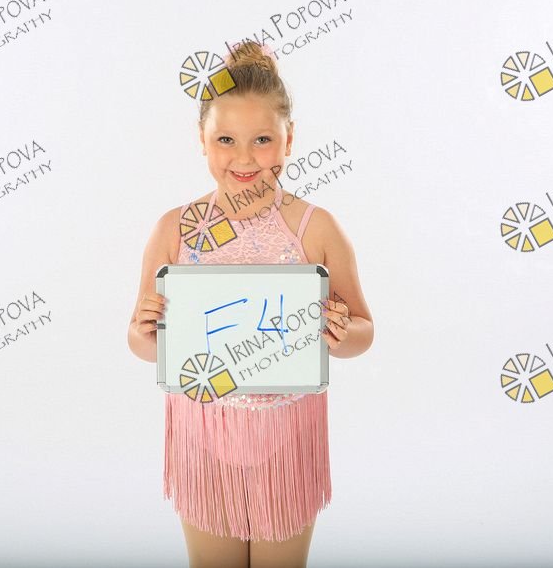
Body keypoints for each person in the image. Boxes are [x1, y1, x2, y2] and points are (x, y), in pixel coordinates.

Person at [127, 40, 373, 568]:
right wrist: (145, 332)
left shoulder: (315, 228)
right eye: (226, 140)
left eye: (262, 139)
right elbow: (143, 342)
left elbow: (363, 329)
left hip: (287, 435)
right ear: (202, 139)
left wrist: (340, 332)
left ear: (289, 140)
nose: (244, 158)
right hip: (202, 435)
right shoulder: (175, 229)